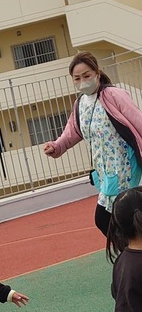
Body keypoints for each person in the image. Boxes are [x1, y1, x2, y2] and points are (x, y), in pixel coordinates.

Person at [43, 51, 142, 236]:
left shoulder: (113, 95)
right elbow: (72, 132)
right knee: (118, 222)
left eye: (87, 76)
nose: (83, 81)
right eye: (77, 78)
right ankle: (131, 257)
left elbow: (138, 120)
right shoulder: (80, 104)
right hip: (106, 173)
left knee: (108, 219)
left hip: (125, 169)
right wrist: (56, 146)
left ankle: (131, 258)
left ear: (97, 73)